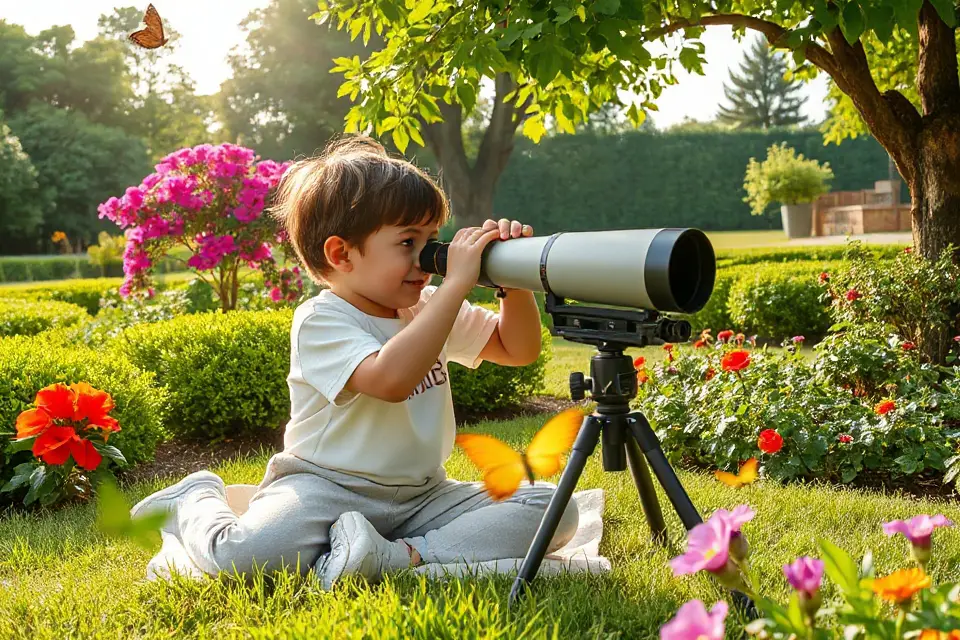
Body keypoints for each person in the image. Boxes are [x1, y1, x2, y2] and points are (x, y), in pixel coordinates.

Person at [131, 134, 579, 589]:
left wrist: (512, 281)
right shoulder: (321, 320)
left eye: (432, 240)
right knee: (244, 558)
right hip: (323, 488)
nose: (429, 259)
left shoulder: (427, 305)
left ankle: (399, 555)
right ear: (341, 254)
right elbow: (390, 380)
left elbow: (516, 349)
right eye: (408, 242)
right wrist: (455, 287)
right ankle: (194, 498)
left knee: (554, 509)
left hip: (422, 493)